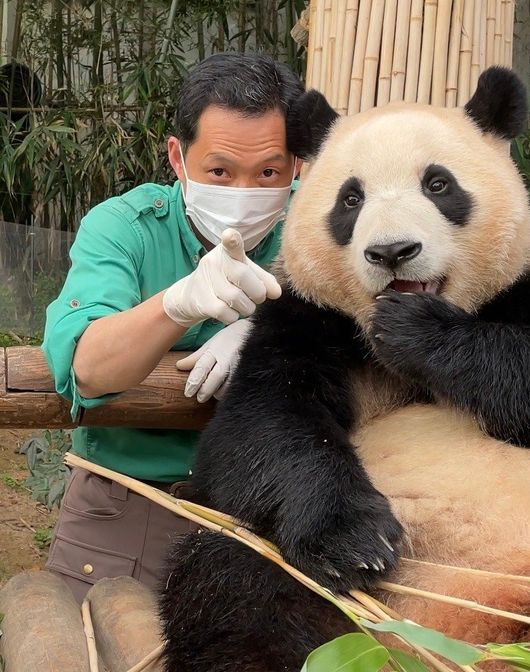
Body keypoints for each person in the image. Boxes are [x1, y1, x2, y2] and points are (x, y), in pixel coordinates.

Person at [41, 52, 304, 601]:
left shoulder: (323, 223)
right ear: (177, 158)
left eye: (268, 173)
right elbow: (88, 370)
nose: (244, 193)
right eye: (220, 171)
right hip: (128, 503)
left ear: (298, 163)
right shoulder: (123, 228)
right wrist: (177, 305)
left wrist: (269, 333)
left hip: (274, 513)